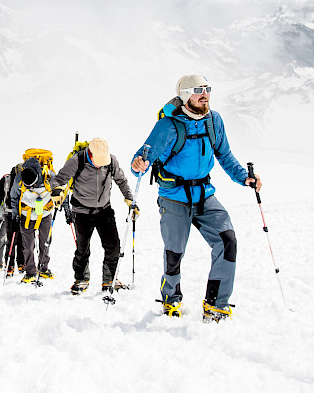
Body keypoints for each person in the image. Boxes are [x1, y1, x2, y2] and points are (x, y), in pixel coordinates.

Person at [130, 74, 262, 321]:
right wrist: (138, 164)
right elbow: (143, 155)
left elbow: (225, 155)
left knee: (227, 240)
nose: (205, 94)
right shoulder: (168, 126)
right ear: (184, 94)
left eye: (208, 89)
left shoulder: (214, 121)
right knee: (175, 252)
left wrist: (244, 177)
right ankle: (171, 299)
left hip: (204, 195)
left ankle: (216, 304)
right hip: (174, 196)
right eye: (198, 90)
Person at [50, 137, 135, 295]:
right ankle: (81, 279)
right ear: (91, 153)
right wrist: (56, 190)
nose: (101, 164)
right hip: (81, 211)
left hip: (104, 210)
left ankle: (109, 279)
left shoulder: (111, 161)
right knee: (82, 248)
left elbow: (121, 181)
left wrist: (130, 199)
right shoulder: (77, 160)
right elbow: (58, 179)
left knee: (114, 245)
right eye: (99, 161)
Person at [9, 156, 56, 283]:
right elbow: (14, 198)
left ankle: (44, 269)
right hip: (27, 214)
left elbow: (60, 190)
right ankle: (30, 271)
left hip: (45, 214)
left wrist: (65, 207)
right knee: (28, 245)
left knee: (45, 242)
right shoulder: (19, 180)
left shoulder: (49, 176)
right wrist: (15, 217)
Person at [0, 166, 24, 274]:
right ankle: (7, 264)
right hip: (6, 214)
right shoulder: (6, 181)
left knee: (6, 240)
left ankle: (5, 264)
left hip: (6, 214)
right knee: (10, 240)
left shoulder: (8, 180)